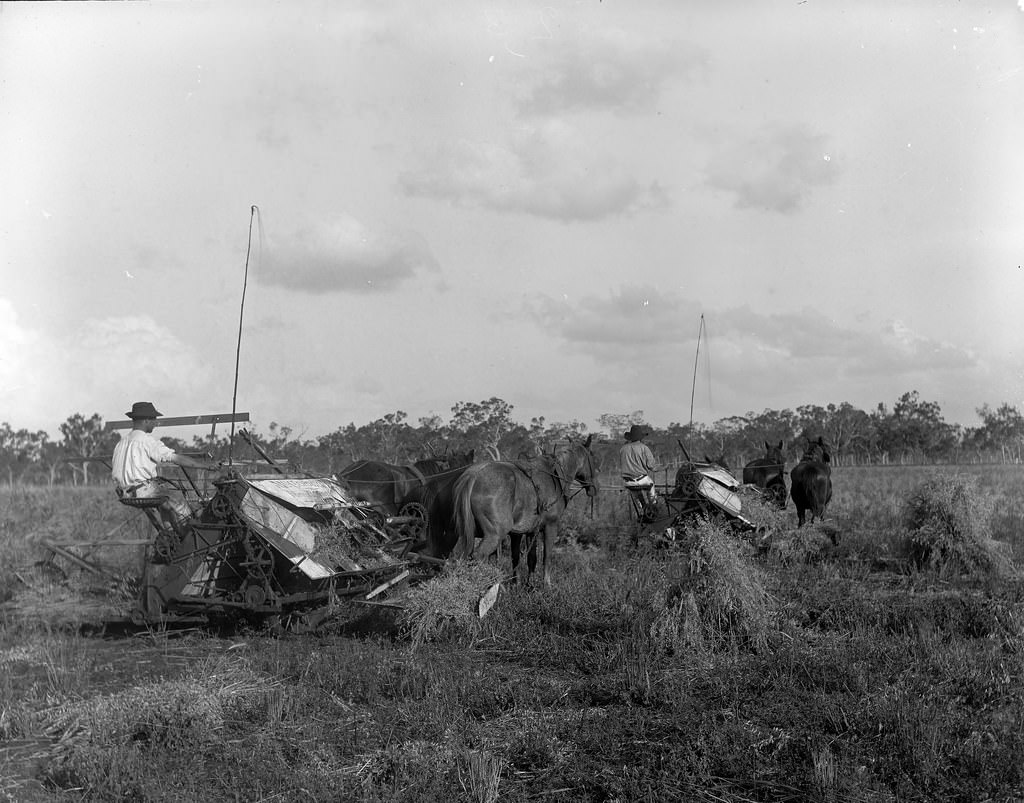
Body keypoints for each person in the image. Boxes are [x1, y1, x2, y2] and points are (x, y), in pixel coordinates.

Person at [111, 401, 218, 533]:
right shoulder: (147, 441)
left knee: (165, 503)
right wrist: (204, 466)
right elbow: (175, 458)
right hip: (143, 491)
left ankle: (172, 536)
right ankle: (192, 534)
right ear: (146, 420)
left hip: (124, 494)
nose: (155, 423)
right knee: (180, 498)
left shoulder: (121, 443)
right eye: (154, 419)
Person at [619, 424, 659, 519]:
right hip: (642, 479)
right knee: (651, 486)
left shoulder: (623, 449)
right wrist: (660, 468)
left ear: (630, 437)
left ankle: (642, 511)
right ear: (641, 438)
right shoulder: (644, 448)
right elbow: (651, 466)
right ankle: (653, 507)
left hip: (628, 481)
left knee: (636, 494)